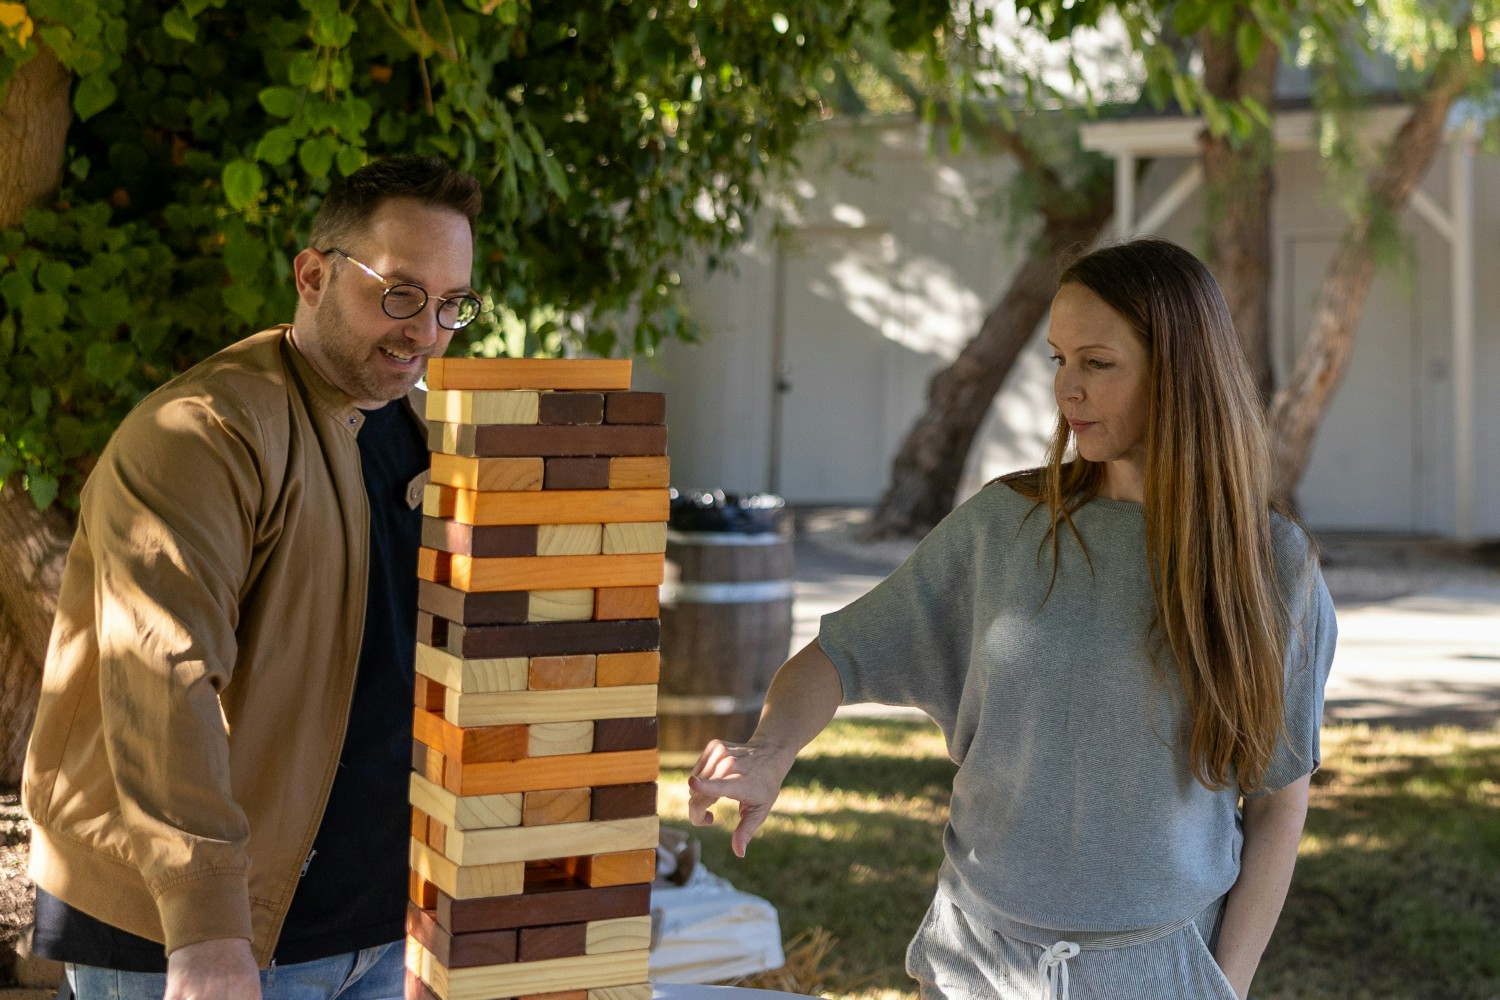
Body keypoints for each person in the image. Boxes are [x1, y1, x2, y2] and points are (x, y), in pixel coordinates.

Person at [688, 237, 1337, 1000]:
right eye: (1059, 360)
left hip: (1161, 973)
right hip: (975, 966)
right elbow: (837, 656)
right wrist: (768, 750)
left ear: (1181, 369)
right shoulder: (1005, 526)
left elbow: (1277, 800)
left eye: (1097, 362)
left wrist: (1221, 986)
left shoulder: (1273, 567)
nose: (1069, 391)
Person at [23, 155, 484, 1000]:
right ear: (313, 275)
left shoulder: (426, 432)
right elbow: (162, 679)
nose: (426, 329)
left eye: (452, 302)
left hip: (381, 932)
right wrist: (205, 933)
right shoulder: (201, 436)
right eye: (401, 291)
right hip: (201, 940)